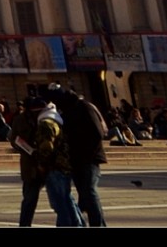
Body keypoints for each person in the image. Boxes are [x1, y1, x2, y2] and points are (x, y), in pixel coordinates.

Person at [13, 91, 82, 229]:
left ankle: (71, 224)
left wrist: (42, 163)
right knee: (42, 198)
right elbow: (13, 138)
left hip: (51, 165)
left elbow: (46, 147)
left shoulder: (46, 123)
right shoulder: (23, 120)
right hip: (34, 165)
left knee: (60, 201)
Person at [51, 81, 108, 226]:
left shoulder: (84, 107)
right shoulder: (67, 111)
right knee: (84, 193)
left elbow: (97, 132)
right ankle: (86, 221)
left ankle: (98, 224)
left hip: (89, 157)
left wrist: (87, 153)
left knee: (89, 191)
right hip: (76, 158)